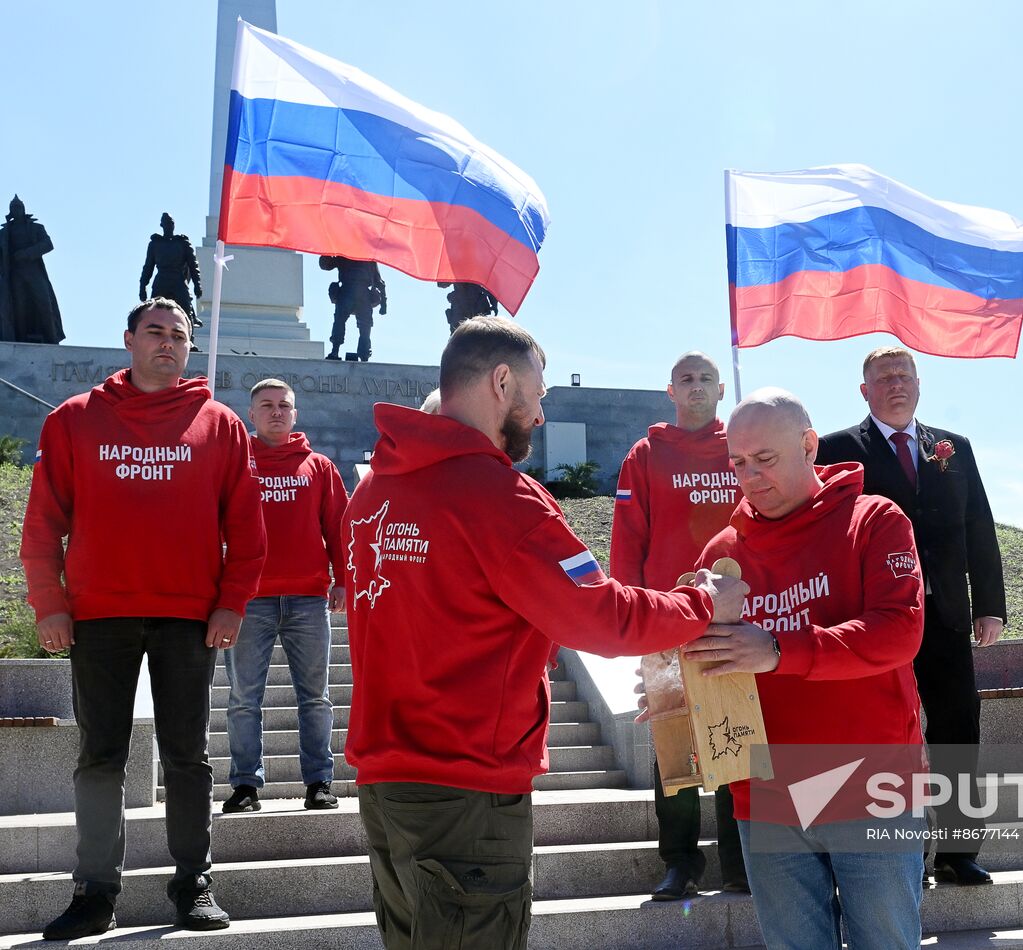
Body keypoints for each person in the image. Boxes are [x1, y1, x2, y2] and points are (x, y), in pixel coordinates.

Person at [344, 317, 747, 950]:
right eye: (538, 390)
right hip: (467, 788)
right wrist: (704, 602)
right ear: (502, 382)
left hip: (386, 785)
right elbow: (602, 618)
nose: (540, 410)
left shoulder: (371, 496)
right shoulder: (502, 497)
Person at [20, 299, 266, 938]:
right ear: (128, 340)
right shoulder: (75, 420)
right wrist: (51, 602)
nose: (167, 343)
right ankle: (94, 893)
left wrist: (233, 601)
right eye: (155, 332)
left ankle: (194, 884)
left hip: (188, 618)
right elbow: (44, 520)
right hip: (100, 616)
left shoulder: (220, 425)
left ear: (189, 348)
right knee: (100, 758)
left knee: (188, 758)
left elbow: (246, 528)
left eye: (179, 335)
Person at [682, 388, 926, 950]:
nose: (749, 475)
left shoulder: (875, 520)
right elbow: (707, 657)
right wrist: (677, 693)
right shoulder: (722, 553)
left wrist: (777, 649)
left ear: (809, 445)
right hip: (766, 793)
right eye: (737, 463)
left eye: (764, 459)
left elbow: (899, 633)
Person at [816, 346, 1005, 886]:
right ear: (864, 390)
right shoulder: (834, 449)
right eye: (883, 377)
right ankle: (897, 853)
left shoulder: (953, 448)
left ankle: (957, 850)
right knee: (883, 737)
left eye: (904, 375)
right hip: (872, 619)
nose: (896, 384)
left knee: (956, 729)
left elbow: (979, 527)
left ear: (919, 385)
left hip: (943, 614)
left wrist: (989, 605)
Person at [611, 351, 746, 899]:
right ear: (670, 391)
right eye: (686, 379)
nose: (696, 387)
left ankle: (739, 861)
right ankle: (681, 861)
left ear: (720, 390)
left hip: (733, 616)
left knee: (735, 743)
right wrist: (629, 614)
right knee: (677, 745)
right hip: (665, 620)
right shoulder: (645, 454)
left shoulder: (740, 448)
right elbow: (628, 541)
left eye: (706, 379)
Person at [222, 379, 348, 815]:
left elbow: (338, 528)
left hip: (307, 600)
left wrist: (344, 580)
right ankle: (244, 786)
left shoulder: (318, 467)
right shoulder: (235, 464)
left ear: (295, 414)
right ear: (251, 414)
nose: (276, 412)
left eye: (284, 406)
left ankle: (319, 782)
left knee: (315, 696)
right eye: (267, 405)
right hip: (248, 601)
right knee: (243, 698)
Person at [0, 194, 64, 344]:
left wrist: (27, 253)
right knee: (19, 309)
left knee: (44, 303)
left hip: (34, 272)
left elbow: (48, 244)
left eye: (19, 207)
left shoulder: (36, 228)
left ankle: (51, 339)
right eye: (13, 208)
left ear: (23, 209)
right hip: (15, 275)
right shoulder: (4, 233)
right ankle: (20, 341)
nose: (16, 210)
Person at [139, 213, 204, 337]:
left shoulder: (183, 243)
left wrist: (197, 284)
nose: (169, 226)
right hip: (161, 280)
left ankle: (189, 339)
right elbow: (148, 267)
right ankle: (153, 336)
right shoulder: (155, 244)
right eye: (167, 223)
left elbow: (193, 266)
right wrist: (142, 287)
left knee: (186, 310)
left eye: (171, 223)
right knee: (155, 311)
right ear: (161, 225)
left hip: (178, 280)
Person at [320, 255, 387, 362]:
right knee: (351, 323)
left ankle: (345, 352)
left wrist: (384, 303)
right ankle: (338, 351)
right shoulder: (349, 252)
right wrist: (383, 303)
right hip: (352, 292)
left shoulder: (351, 253)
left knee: (356, 324)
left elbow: (378, 281)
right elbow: (325, 265)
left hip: (355, 293)